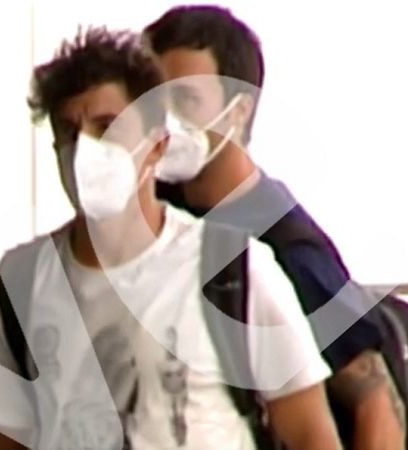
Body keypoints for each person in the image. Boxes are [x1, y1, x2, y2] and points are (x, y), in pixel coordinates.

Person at [0, 27, 341, 450]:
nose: (85, 150)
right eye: (68, 132)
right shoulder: (21, 282)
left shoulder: (231, 268)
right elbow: (2, 440)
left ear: (156, 146)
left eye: (107, 127)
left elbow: (311, 434)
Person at [141, 5, 405, 449]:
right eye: (153, 99)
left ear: (239, 111)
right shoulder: (151, 214)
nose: (165, 120)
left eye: (185, 99)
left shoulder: (287, 249)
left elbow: (374, 402)